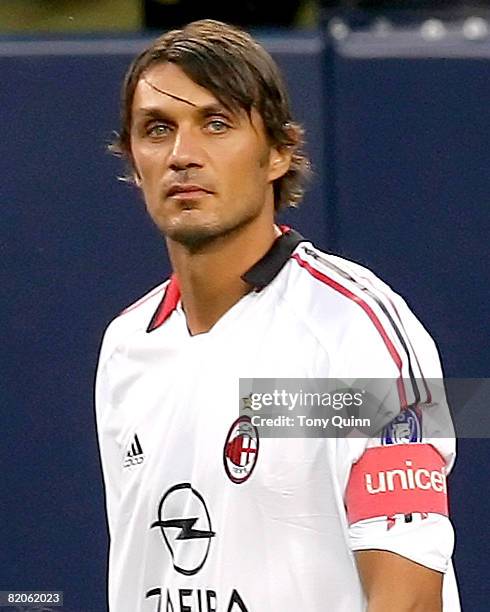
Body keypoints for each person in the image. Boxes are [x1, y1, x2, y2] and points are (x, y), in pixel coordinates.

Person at [95, 19, 459, 612]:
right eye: (157, 130)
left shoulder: (352, 328)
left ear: (278, 153)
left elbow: (412, 598)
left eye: (217, 124)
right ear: (134, 163)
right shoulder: (124, 347)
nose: (183, 155)